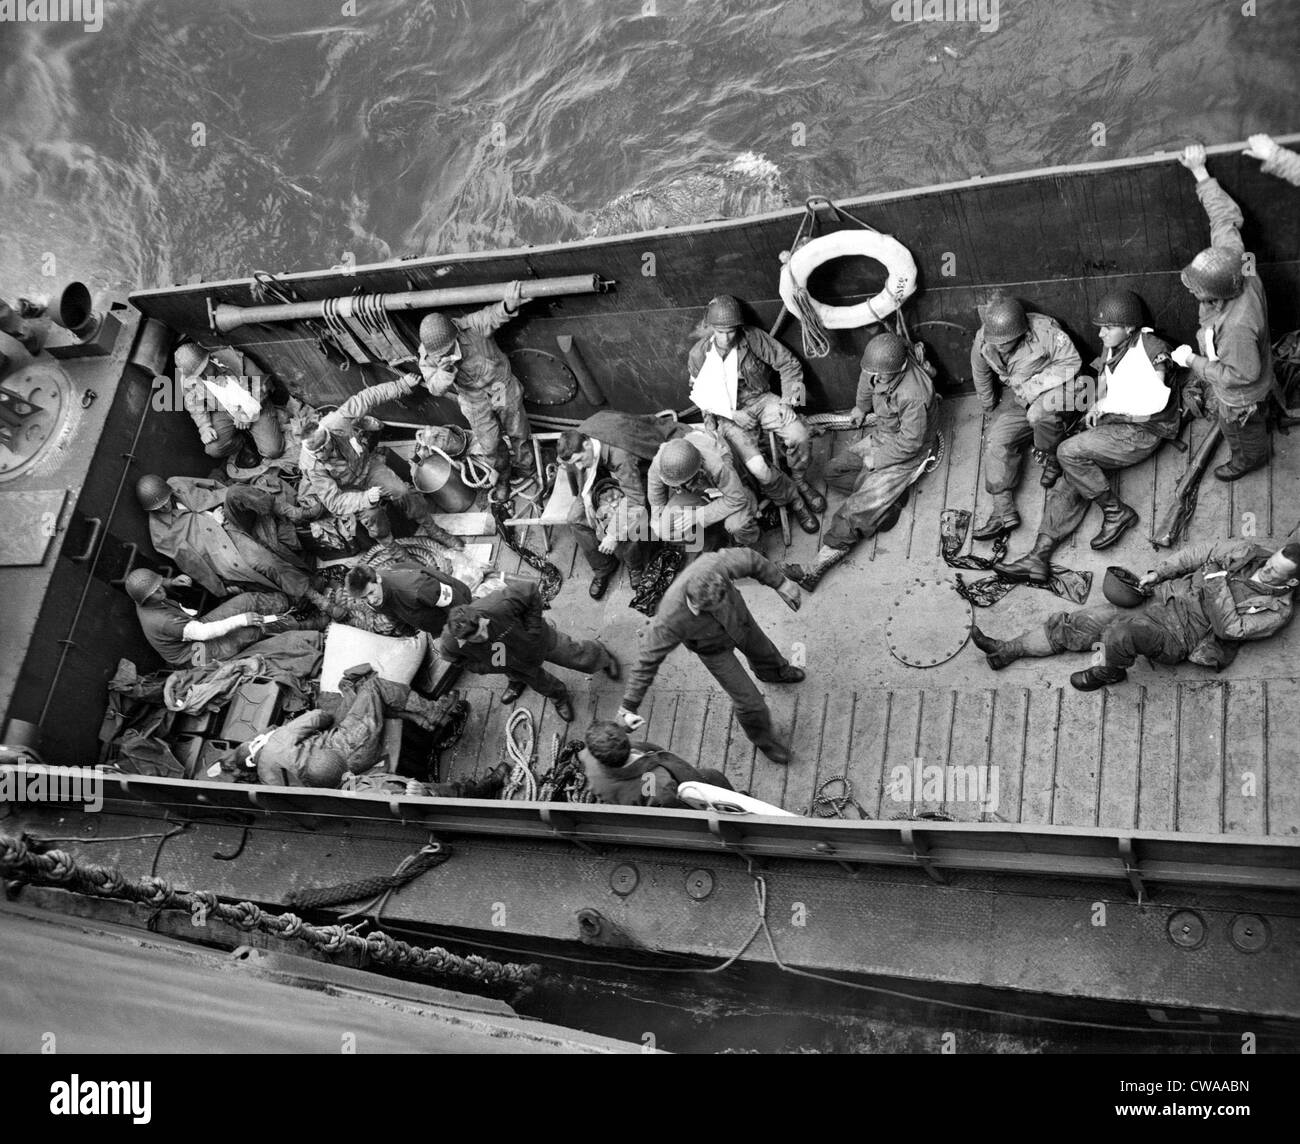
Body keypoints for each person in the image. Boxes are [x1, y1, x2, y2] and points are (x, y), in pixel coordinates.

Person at [995, 290, 1182, 582]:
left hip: (1141, 431)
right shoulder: (1112, 346)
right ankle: (1038, 557)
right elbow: (1104, 378)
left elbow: (1154, 400)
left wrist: (1106, 407)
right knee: (1074, 474)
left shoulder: (1152, 347)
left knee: (1068, 453)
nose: (1101, 332)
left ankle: (1116, 512)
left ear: (1129, 327)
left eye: (1108, 327)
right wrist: (1095, 404)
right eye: (1100, 327)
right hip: (1112, 422)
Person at [971, 540, 1300, 690]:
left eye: (1274, 573)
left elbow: (1230, 628)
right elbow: (1202, 554)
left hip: (1181, 636)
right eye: (1270, 563)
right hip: (1163, 597)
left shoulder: (1277, 611)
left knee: (1120, 634)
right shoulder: (1252, 553)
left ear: (1293, 581)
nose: (1266, 569)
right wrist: (1158, 573)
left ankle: (1111, 672)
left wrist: (1215, 581)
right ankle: (1007, 650)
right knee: (1082, 623)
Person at [618, 549, 804, 765]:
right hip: (712, 649)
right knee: (750, 703)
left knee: (765, 651)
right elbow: (646, 662)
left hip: (740, 620)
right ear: (695, 605)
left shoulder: (715, 564)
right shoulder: (670, 619)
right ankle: (764, 741)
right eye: (714, 608)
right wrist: (628, 706)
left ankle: (775, 672)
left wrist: (781, 583)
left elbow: (752, 560)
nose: (719, 608)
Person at [785, 332, 939, 588]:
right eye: (873, 372)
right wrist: (860, 407)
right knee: (833, 472)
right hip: (883, 436)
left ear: (900, 369)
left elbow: (911, 444)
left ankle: (813, 570)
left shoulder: (914, 394)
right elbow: (866, 382)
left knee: (854, 509)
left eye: (882, 376)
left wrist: (876, 461)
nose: (876, 377)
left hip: (905, 454)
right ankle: (885, 507)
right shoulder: (879, 367)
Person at [1171, 143, 1279, 481]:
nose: (1191, 290)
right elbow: (1224, 219)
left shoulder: (1235, 327)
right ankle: (1267, 411)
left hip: (1242, 392)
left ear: (1214, 295)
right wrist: (1199, 171)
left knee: (1236, 425)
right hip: (1254, 363)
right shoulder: (1234, 264)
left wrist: (1193, 363)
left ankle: (1251, 457)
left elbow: (1241, 375)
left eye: (1197, 290)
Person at [686, 294, 824, 533]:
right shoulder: (699, 355)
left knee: (799, 434)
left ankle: (800, 479)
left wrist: (789, 402)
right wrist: (721, 422)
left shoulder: (752, 337)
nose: (727, 337)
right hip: (729, 414)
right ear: (711, 328)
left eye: (731, 331)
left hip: (762, 399)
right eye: (721, 331)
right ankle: (794, 499)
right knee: (759, 468)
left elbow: (789, 363)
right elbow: (701, 397)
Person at [240, 668, 491, 790]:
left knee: (369, 707)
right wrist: (333, 721)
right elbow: (318, 717)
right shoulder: (276, 742)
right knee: (373, 689)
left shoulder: (268, 781)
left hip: (343, 778)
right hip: (347, 749)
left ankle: (425, 722)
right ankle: (434, 712)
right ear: (258, 743)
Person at [299, 374, 462, 549]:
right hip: (348, 491)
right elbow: (334, 502)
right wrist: (365, 498)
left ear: (328, 438)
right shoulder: (312, 466)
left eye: (323, 448)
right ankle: (394, 550)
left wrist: (402, 385)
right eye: (316, 452)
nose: (321, 454)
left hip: (367, 468)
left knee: (402, 491)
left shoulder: (337, 422)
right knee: (373, 517)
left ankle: (434, 530)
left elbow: (367, 397)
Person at [969, 297, 1087, 539]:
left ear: (1020, 332)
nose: (999, 346)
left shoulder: (1046, 333)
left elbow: (1072, 362)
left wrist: (1034, 386)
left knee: (1039, 416)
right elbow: (979, 371)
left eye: (1006, 342)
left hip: (1062, 388)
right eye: (995, 341)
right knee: (996, 438)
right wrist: (989, 406)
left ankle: (1053, 457)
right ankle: (1003, 512)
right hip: (1021, 397)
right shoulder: (986, 336)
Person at [136, 473, 333, 611]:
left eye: (167, 501)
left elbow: (213, 485)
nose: (166, 507)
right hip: (222, 548)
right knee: (266, 562)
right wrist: (220, 588)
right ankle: (314, 597)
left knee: (235, 491)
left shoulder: (176, 482)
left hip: (228, 516)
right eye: (159, 508)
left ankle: (295, 514)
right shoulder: (161, 534)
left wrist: (223, 507)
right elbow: (192, 565)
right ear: (151, 510)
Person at [437, 579, 620, 722]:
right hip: (505, 659)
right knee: (540, 683)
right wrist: (484, 667)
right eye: (476, 638)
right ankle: (559, 697)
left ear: (481, 618)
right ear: (461, 639)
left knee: (572, 654)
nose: (483, 636)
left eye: (483, 629)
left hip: (533, 639)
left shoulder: (499, 604)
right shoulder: (449, 642)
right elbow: (454, 658)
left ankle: (602, 657)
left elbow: (531, 591)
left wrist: (533, 631)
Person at [417, 280, 533, 498]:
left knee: (517, 430)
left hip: (498, 387)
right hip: (473, 398)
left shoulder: (471, 327)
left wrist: (508, 305)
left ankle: (527, 469)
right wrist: (445, 372)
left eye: (447, 350)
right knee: (490, 444)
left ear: (455, 337)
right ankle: (503, 478)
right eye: (438, 354)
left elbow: (493, 315)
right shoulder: (429, 354)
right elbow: (434, 388)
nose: (443, 355)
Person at [557, 411, 665, 598]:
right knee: (575, 518)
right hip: (603, 476)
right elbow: (578, 469)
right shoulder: (582, 437)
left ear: (587, 444)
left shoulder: (621, 457)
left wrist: (614, 534)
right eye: (576, 463)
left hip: (639, 479)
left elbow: (635, 502)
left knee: (625, 519)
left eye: (580, 460)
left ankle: (635, 565)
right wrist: (586, 498)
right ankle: (603, 566)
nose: (580, 467)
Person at [123, 569, 322, 669]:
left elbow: (155, 584)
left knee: (246, 600)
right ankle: (306, 624)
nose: (160, 592)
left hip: (193, 629)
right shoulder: (162, 621)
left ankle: (296, 602)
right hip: (194, 653)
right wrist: (242, 620)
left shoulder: (143, 594)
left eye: (159, 587)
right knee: (251, 630)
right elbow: (203, 633)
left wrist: (169, 582)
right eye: (155, 593)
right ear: (146, 600)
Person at [175, 341, 284, 467]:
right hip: (223, 411)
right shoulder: (188, 380)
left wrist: (247, 411)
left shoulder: (235, 360)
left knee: (273, 451)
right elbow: (195, 406)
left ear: (209, 357)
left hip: (254, 405)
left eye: (205, 369)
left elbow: (263, 385)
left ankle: (254, 434)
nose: (205, 376)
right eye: (199, 375)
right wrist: (204, 426)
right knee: (213, 449)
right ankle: (244, 441)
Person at [580, 720, 734, 808]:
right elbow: (668, 802)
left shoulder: (589, 757)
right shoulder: (654, 781)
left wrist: (621, 728)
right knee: (714, 776)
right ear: (629, 744)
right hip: (675, 804)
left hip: (620, 798)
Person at [646, 432, 760, 549]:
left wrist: (698, 516)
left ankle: (748, 546)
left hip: (730, 490)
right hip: (697, 490)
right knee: (662, 529)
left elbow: (736, 499)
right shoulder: (664, 459)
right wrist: (656, 516)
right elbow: (655, 486)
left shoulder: (718, 465)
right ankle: (711, 535)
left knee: (736, 525)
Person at [344, 561, 471, 638]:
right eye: (364, 598)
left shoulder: (415, 588)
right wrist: (408, 632)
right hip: (432, 620)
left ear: (378, 579)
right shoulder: (376, 596)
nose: (371, 600)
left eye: (371, 592)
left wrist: (464, 630)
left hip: (459, 607)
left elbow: (454, 600)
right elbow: (391, 613)